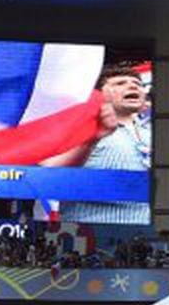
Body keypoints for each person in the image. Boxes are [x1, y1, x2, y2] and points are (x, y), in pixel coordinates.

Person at [42, 67, 152, 225]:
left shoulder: (151, 134)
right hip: (89, 231)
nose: (133, 86)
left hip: (143, 232)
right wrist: (92, 139)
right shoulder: (79, 128)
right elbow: (47, 175)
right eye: (120, 83)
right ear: (99, 95)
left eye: (137, 83)